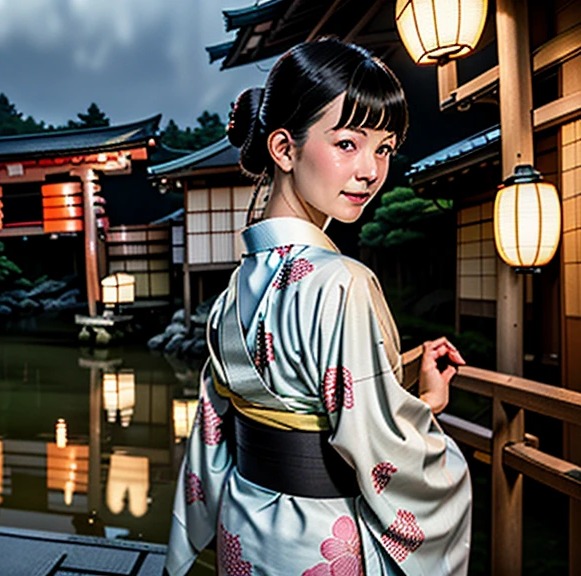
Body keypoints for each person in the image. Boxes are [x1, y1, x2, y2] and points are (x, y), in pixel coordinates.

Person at [166, 38, 472, 575]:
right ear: (284, 149)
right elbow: (374, 440)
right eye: (349, 143)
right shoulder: (343, 282)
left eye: (384, 148)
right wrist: (426, 407)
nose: (371, 171)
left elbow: (234, 419)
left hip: (245, 521)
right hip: (320, 536)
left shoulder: (238, 284)